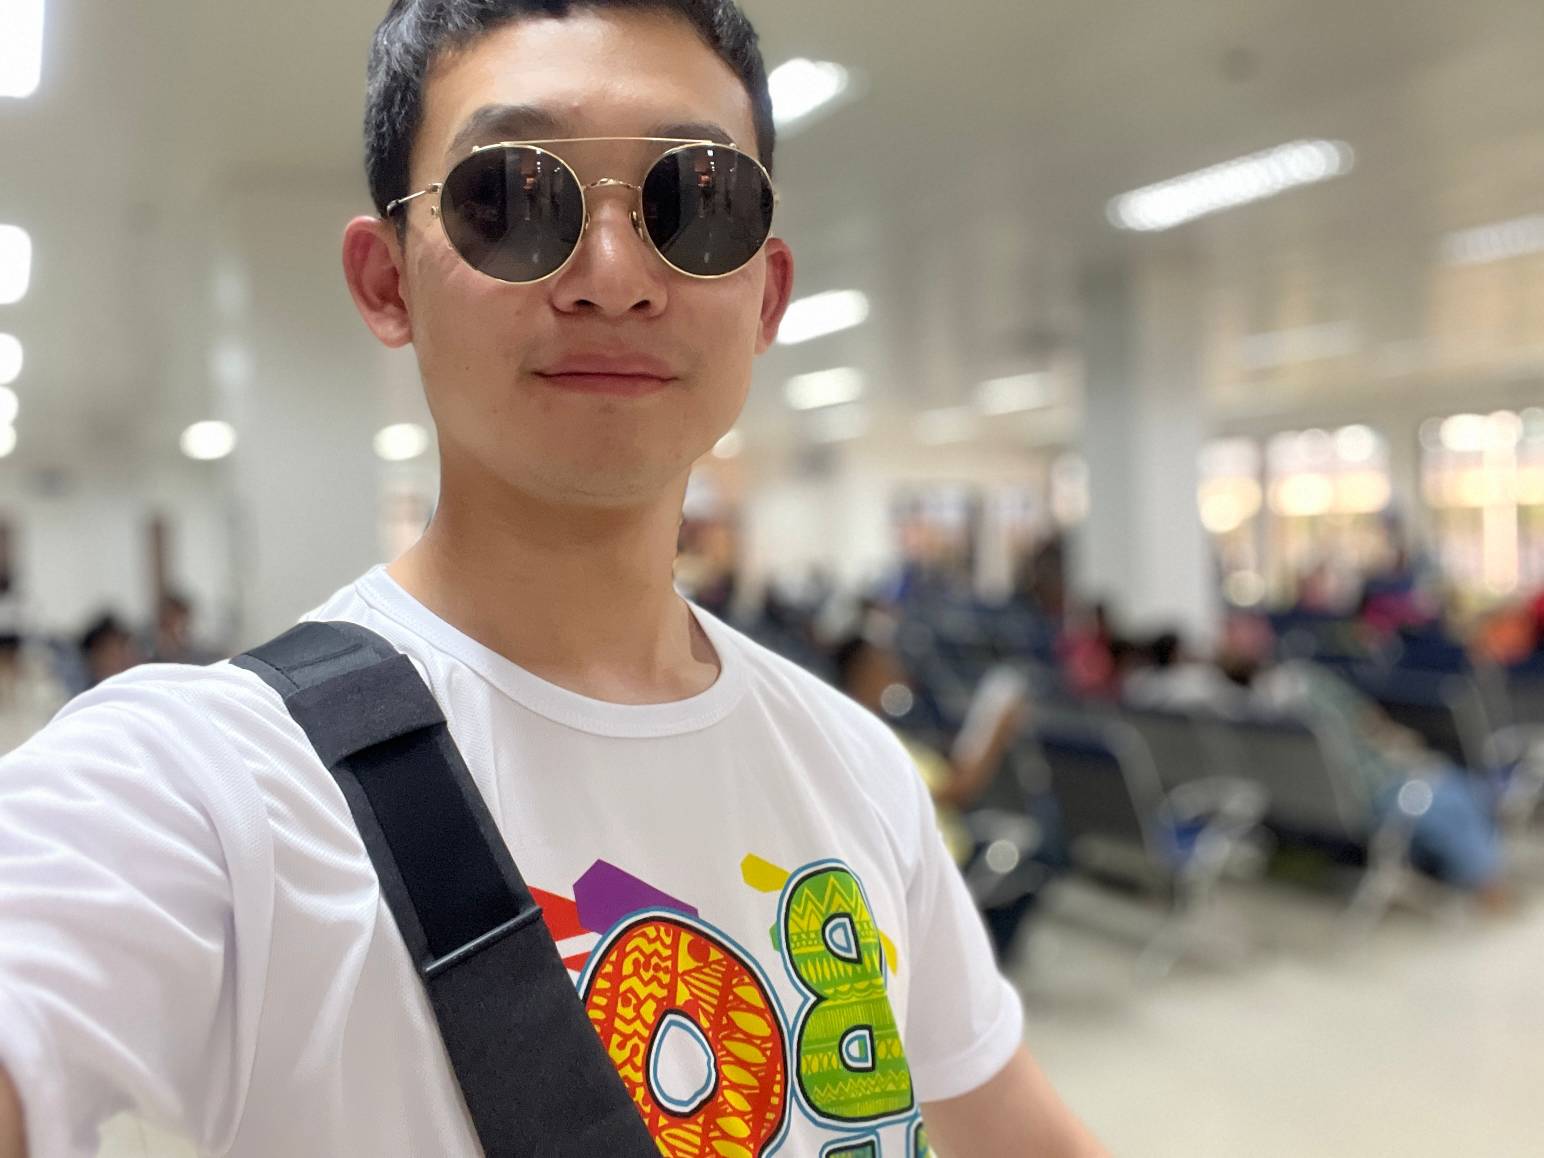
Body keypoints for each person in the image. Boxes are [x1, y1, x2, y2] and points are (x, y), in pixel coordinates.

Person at [0, 3, 1103, 1156]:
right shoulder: (223, 784)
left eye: (695, 201)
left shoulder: (854, 766)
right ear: (386, 282)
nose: (614, 278)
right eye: (510, 199)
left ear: (765, 295)